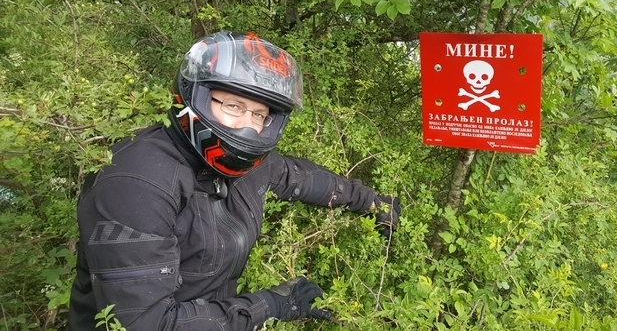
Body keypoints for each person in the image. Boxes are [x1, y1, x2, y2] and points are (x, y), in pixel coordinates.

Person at [67, 31, 400, 330]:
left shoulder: (245, 165)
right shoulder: (136, 181)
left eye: (259, 115)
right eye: (233, 105)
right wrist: (269, 306)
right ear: (195, 96)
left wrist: (372, 203)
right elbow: (148, 323)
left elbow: (299, 177)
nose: (247, 127)